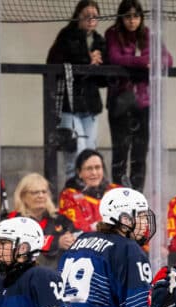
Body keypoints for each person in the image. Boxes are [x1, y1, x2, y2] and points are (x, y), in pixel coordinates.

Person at [104, 0, 172, 191]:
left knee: (140, 153)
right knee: (120, 151)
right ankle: (118, 193)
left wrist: (153, 61)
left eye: (136, 16)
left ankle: (137, 194)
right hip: (121, 101)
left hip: (144, 103)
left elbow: (167, 58)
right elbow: (116, 57)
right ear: (121, 17)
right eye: (128, 16)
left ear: (141, 18)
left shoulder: (148, 35)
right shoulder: (112, 34)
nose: (132, 21)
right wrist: (143, 62)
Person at [47, 1, 106, 181]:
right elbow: (55, 61)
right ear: (78, 16)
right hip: (69, 106)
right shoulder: (66, 36)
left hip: (90, 107)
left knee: (90, 152)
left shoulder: (99, 41)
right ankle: (72, 194)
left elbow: (105, 76)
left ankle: (89, 196)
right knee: (75, 155)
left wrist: (99, 62)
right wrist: (86, 59)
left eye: (94, 16)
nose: (90, 19)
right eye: (86, 15)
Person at [8, 172, 77, 267]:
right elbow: (23, 245)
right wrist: (57, 242)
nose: (41, 196)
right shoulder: (14, 220)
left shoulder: (58, 218)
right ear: (23, 196)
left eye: (44, 192)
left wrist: (71, 238)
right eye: (35, 192)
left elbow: (76, 233)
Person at [58, 149, 120, 233]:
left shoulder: (116, 191)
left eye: (97, 167)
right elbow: (78, 227)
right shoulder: (69, 195)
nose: (94, 173)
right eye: (89, 169)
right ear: (79, 172)